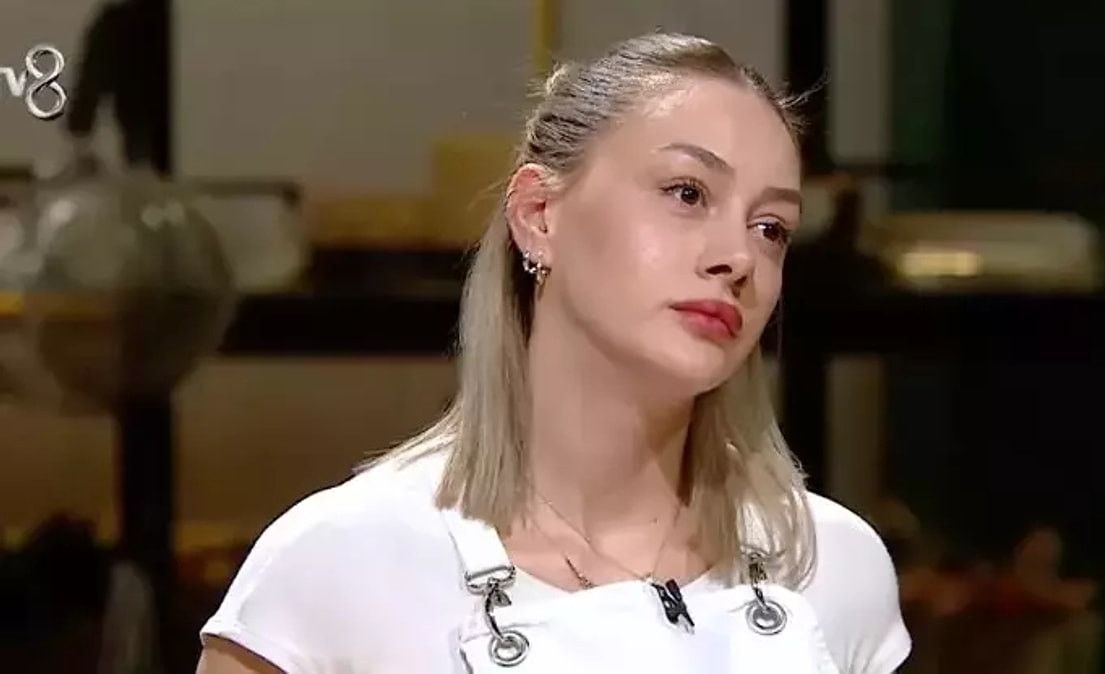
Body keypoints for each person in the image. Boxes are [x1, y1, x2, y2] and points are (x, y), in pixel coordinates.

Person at [196, 32, 911, 673]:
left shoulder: (830, 568)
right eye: (688, 193)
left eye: (771, 228)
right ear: (539, 214)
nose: (738, 257)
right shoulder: (340, 568)